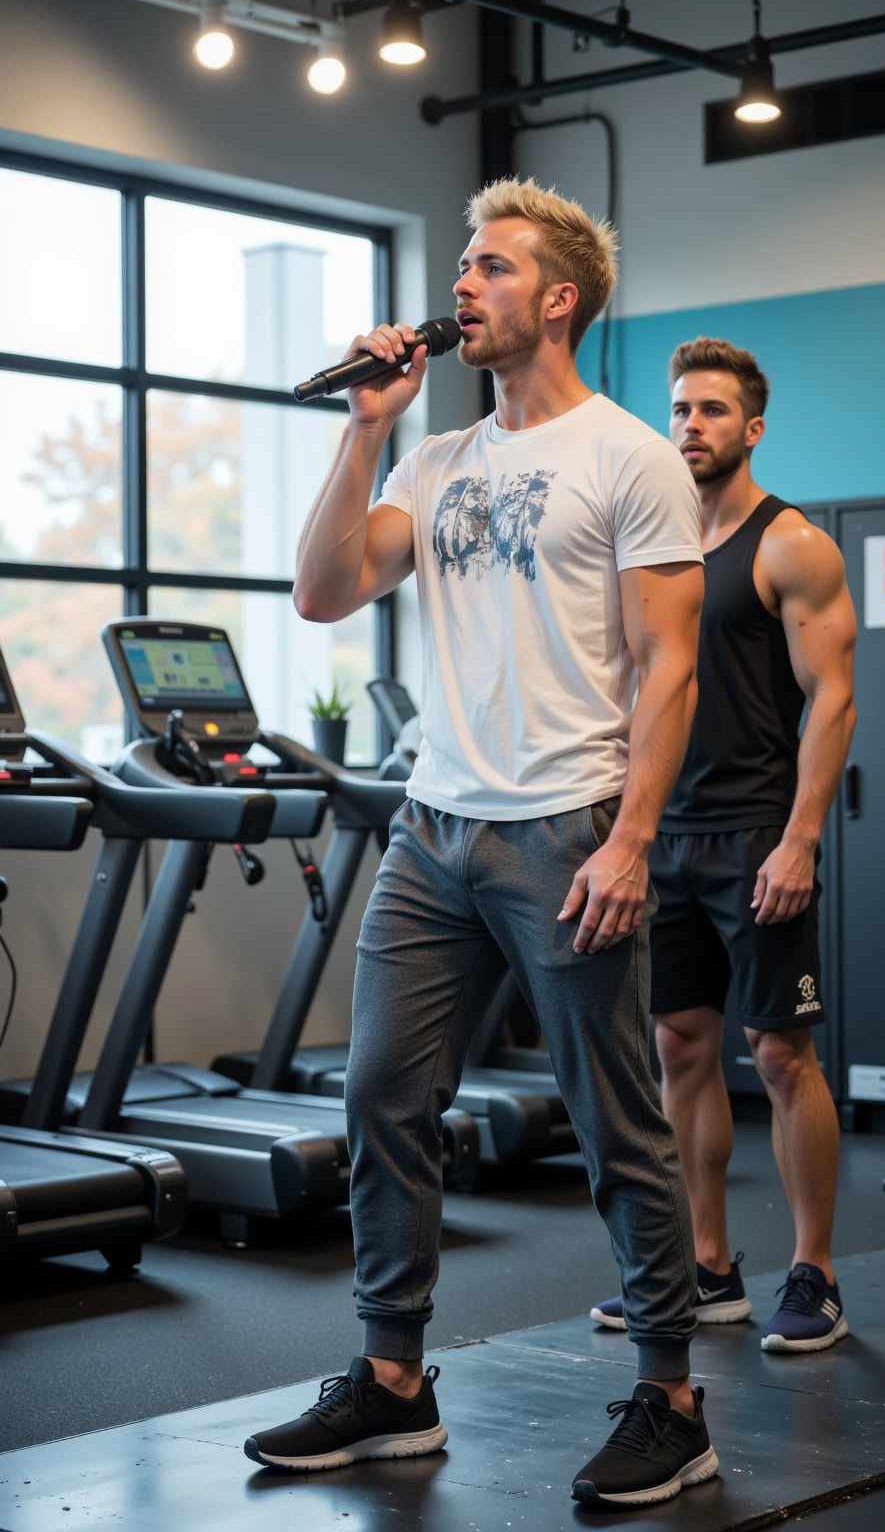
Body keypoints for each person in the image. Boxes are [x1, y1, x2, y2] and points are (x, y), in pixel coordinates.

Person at [244, 180, 715, 1509]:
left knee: (620, 1122)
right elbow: (325, 591)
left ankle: (674, 1397)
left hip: (568, 831)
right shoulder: (433, 460)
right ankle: (393, 1384)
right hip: (433, 831)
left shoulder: (629, 456)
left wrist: (631, 842)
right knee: (381, 1101)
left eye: (490, 267)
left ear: (556, 298)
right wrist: (365, 430)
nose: (460, 285)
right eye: (459, 264)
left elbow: (668, 669)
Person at [592, 337, 857, 1352]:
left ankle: (815, 1271)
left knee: (781, 1053)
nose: (688, 426)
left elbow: (832, 700)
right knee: (677, 1045)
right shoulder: (648, 550)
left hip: (755, 833)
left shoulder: (791, 545)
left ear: (750, 429)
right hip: (660, 836)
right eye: (677, 410)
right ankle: (705, 1269)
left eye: (709, 411)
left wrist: (798, 842)